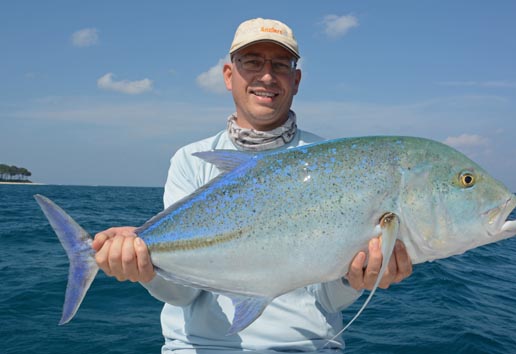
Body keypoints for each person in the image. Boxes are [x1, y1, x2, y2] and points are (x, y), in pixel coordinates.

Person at [92, 18, 413, 353]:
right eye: (252, 62)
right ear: (229, 76)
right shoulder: (191, 160)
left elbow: (327, 301)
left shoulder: (331, 163)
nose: (267, 76)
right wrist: (144, 268)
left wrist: (355, 279)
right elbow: (184, 295)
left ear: (296, 79)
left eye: (280, 64)